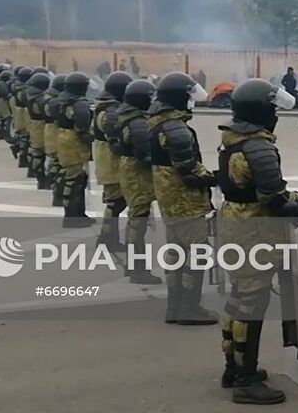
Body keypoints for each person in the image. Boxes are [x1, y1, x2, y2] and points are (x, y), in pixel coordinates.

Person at [217, 78, 298, 404]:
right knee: (252, 304)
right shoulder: (259, 147)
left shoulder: (232, 140)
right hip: (255, 232)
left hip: (234, 224)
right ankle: (246, 379)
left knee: (238, 299)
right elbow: (276, 203)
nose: (275, 112)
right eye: (272, 107)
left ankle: (234, 367)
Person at [148, 71, 217, 325]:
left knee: (176, 252)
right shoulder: (176, 129)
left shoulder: (157, 124)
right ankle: (190, 307)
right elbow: (189, 172)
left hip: (170, 201)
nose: (192, 100)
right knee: (198, 252)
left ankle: (174, 306)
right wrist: (216, 177)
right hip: (185, 201)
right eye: (189, 96)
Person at [115, 79, 163, 285]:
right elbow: (145, 155)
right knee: (138, 220)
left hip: (130, 171)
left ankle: (133, 267)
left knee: (136, 219)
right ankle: (138, 269)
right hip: (137, 174)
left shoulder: (129, 117)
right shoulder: (138, 123)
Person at [93, 71, 133, 251]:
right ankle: (107, 239)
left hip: (107, 161)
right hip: (112, 162)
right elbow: (116, 143)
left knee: (116, 201)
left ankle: (108, 237)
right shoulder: (111, 112)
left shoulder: (105, 107)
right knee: (115, 202)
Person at [55, 72, 96, 227]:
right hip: (74, 142)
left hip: (64, 138)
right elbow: (83, 124)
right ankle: (72, 216)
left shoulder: (62, 99)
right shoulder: (78, 103)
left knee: (77, 178)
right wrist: (90, 136)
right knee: (75, 180)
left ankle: (78, 214)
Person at [24, 71, 52, 189]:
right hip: (42, 127)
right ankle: (46, 180)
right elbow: (49, 114)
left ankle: (40, 179)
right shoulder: (41, 99)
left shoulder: (30, 96)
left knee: (37, 154)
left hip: (34, 126)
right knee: (49, 155)